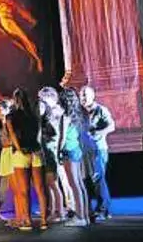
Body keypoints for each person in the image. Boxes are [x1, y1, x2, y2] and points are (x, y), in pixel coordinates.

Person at [6, 88, 48, 231]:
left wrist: (19, 148)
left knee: (24, 190)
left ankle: (27, 221)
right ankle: (43, 220)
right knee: (40, 188)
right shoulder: (33, 114)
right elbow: (38, 132)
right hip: (36, 150)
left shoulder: (11, 116)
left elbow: (12, 134)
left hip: (21, 153)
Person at [80, 86, 115, 220]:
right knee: (86, 179)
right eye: (81, 95)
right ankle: (88, 209)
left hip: (98, 149)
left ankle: (103, 210)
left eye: (85, 95)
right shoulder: (79, 111)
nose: (83, 98)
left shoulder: (100, 110)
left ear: (93, 96)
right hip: (84, 150)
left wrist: (98, 132)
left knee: (98, 178)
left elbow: (111, 126)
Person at [58, 88, 90, 227]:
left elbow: (62, 137)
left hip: (68, 151)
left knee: (74, 184)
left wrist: (58, 151)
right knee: (80, 184)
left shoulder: (65, 116)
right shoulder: (79, 115)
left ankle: (80, 217)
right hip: (76, 149)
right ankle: (85, 215)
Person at [38, 87, 65, 223]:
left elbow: (56, 133)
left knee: (54, 183)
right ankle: (53, 209)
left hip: (52, 151)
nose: (40, 102)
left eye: (43, 99)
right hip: (46, 150)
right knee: (49, 183)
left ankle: (60, 211)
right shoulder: (47, 115)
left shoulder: (56, 112)